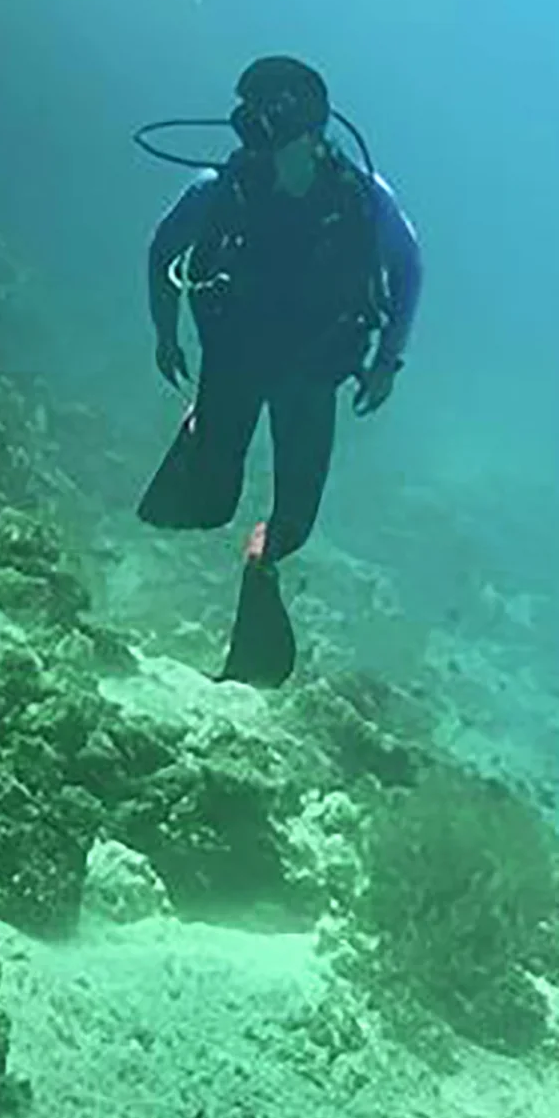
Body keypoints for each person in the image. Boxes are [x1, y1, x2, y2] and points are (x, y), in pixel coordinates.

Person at [136, 55, 424, 686]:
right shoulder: (222, 188)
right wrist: (166, 333)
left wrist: (388, 362)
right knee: (210, 499)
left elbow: (409, 268)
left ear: (310, 129)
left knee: (294, 519)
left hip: (312, 370)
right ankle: (199, 436)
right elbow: (163, 250)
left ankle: (260, 562)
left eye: (270, 122)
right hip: (237, 355)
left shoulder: (363, 200)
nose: (260, 142)